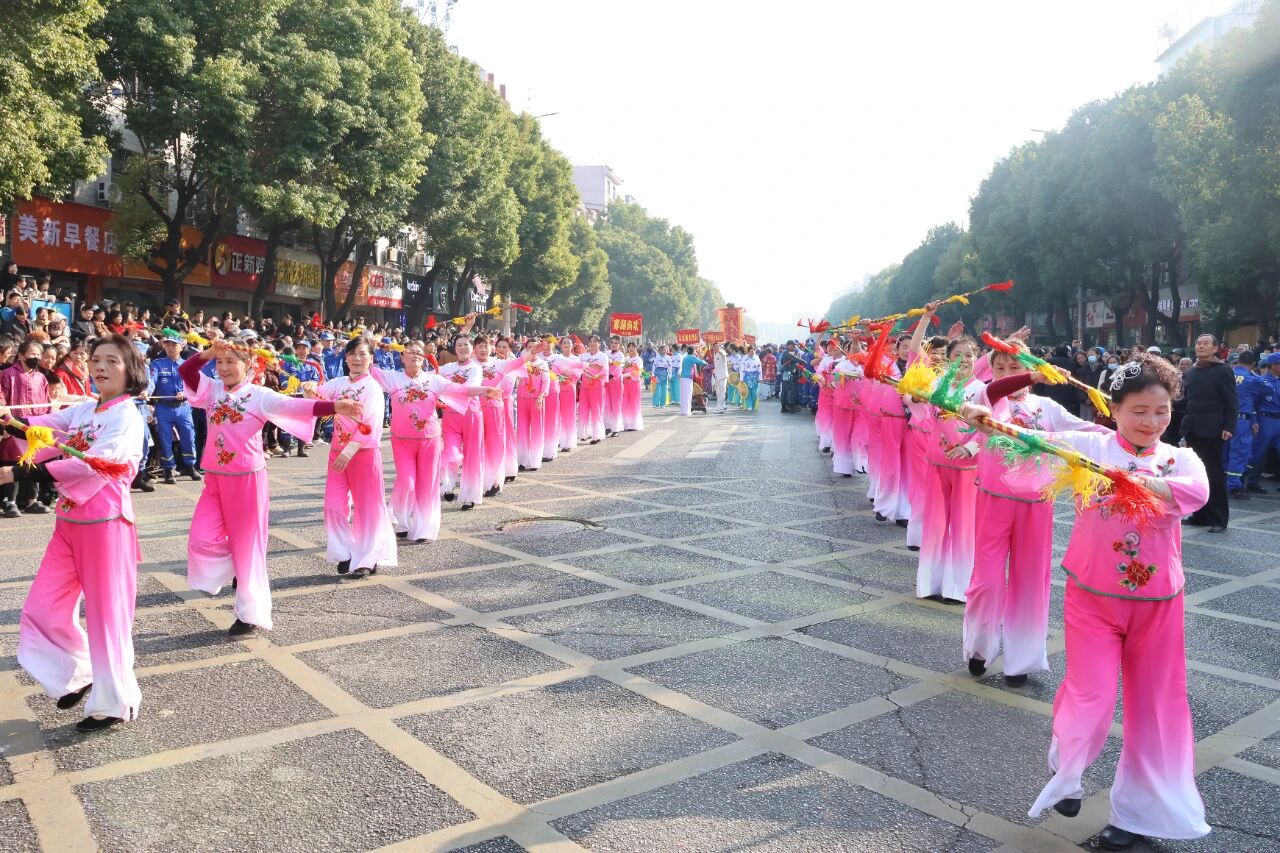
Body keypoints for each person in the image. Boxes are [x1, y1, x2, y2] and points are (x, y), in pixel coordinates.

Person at [965, 353, 1211, 850]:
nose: (1151, 422)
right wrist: (985, 420)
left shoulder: (1179, 459)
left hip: (1159, 603)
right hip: (1093, 599)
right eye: (1138, 411)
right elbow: (1025, 442)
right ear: (1113, 409)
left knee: (1158, 709)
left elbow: (1198, 492)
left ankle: (1141, 817)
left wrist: (1147, 483)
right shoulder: (1088, 446)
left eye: (1161, 411)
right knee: (1090, 694)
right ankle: (1068, 771)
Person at [4, 335, 148, 730]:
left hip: (106, 525)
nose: (100, 366)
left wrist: (19, 472)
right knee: (42, 607)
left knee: (107, 617)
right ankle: (79, 673)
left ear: (131, 369)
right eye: (96, 359)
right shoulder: (85, 408)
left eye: (112, 360)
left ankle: (114, 702)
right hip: (68, 523)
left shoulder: (126, 416)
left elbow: (94, 464)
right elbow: (42, 429)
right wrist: (8, 422)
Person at [182, 340, 357, 633]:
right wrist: (210, 352)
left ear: (249, 365)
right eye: (220, 362)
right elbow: (186, 371)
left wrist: (335, 406)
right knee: (201, 539)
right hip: (214, 479)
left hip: (247, 481)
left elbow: (295, 406)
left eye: (231, 362)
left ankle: (249, 614)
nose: (223, 368)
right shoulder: (212, 390)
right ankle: (235, 567)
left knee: (248, 549)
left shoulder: (259, 396)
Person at [962, 340, 1105, 687]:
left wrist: (1133, 439)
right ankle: (980, 647)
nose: (1006, 374)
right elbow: (993, 390)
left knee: (1030, 583)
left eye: (1015, 367)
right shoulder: (986, 397)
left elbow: (1088, 434)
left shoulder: (1047, 408)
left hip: (1037, 505)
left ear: (1029, 367)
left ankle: (1021, 660)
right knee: (986, 582)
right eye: (999, 368)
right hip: (993, 501)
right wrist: (1032, 375)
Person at [373, 340, 490, 543]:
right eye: (410, 352)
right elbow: (368, 368)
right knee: (407, 481)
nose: (415, 355)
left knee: (427, 485)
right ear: (402, 357)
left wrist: (483, 390)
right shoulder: (392, 378)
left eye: (419, 352)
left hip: (429, 440)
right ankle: (401, 520)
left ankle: (423, 528)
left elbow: (458, 390)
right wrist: (371, 345)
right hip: (402, 441)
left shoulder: (434, 380)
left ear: (424, 358)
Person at [311, 337, 397, 576]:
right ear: (345, 357)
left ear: (371, 359)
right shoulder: (338, 383)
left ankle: (368, 558)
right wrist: (309, 389)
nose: (356, 359)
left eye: (362, 354)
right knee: (333, 506)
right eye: (352, 354)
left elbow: (370, 425)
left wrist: (349, 451)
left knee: (367, 508)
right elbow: (318, 398)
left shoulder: (372, 388)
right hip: (337, 454)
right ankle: (345, 552)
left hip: (363, 454)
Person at [1180, 334, 1236, 532]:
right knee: (1196, 473)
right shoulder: (1191, 371)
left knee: (1214, 473)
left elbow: (1231, 401)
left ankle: (1219, 519)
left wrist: (1229, 426)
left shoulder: (1223, 370)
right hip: (1192, 428)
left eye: (1206, 343)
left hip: (1213, 429)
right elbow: (1186, 400)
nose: (1201, 346)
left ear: (1215, 349)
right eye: (1198, 343)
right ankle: (1200, 514)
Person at [0, 339, 52, 516]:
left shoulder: (41, 377)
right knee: (12, 460)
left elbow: (46, 403)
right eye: (32, 354)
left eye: (38, 354)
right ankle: (9, 501)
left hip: (34, 426)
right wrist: (5, 420)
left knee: (33, 461)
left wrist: (46, 424)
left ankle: (31, 500)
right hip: (12, 426)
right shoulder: (6, 374)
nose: (36, 357)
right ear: (21, 356)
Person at [149, 332, 201, 484]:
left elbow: (195, 385)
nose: (170, 347)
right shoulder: (157, 364)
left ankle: (190, 466)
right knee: (165, 440)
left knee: (189, 437)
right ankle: (168, 469)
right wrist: (146, 392)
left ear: (181, 346)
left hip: (183, 408)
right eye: (168, 345)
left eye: (174, 345)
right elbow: (151, 381)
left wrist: (185, 393)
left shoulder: (187, 365)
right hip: (163, 408)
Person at [1225, 351, 1271, 497]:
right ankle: (1234, 485)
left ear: (1238, 360)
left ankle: (1223, 482)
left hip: (1224, 419)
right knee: (1239, 453)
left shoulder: (1227, 375)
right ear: (1253, 364)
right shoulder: (1251, 379)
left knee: (1225, 453)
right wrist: (1254, 374)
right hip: (1241, 421)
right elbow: (1269, 388)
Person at [1244, 351, 1280, 494]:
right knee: (1258, 452)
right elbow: (1252, 403)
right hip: (1265, 420)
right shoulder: (1261, 381)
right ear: (1272, 365)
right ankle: (1252, 482)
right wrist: (1254, 421)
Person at [578, 335, 610, 442]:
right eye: (590, 341)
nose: (592, 343)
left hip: (597, 387)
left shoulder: (603, 356)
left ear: (599, 343)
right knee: (583, 410)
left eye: (594, 341)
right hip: (585, 387)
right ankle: (584, 433)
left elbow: (605, 371)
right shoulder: (583, 356)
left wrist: (595, 376)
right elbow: (578, 368)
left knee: (596, 411)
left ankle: (597, 435)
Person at [677, 345, 707, 417]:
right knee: (688, 395)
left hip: (683, 377)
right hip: (687, 378)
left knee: (683, 395)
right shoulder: (691, 357)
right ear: (693, 351)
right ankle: (687, 411)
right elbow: (700, 362)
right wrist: (706, 362)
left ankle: (683, 411)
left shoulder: (685, 357)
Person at [621, 342, 645, 431]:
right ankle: (625, 424)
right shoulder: (626, 359)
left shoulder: (639, 360)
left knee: (634, 403)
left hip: (634, 383)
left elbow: (637, 372)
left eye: (633, 347)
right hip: (625, 384)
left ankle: (634, 424)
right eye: (629, 347)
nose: (631, 349)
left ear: (636, 348)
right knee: (624, 404)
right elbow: (621, 369)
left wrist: (624, 375)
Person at [605, 335, 625, 436]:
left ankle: (616, 428)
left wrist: (611, 376)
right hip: (606, 382)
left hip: (616, 381)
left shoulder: (621, 355)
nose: (613, 344)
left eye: (616, 343)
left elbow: (619, 368)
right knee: (607, 404)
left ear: (619, 344)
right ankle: (608, 426)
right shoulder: (606, 354)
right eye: (612, 342)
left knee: (616, 405)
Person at [711, 342, 729, 414]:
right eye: (715, 347)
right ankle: (723, 405)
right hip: (717, 376)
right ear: (713, 348)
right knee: (718, 392)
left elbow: (724, 355)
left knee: (721, 392)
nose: (716, 348)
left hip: (723, 375)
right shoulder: (714, 354)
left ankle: (719, 408)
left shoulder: (722, 352)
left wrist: (721, 352)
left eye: (718, 346)